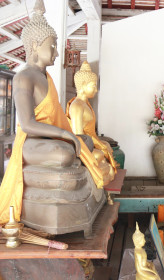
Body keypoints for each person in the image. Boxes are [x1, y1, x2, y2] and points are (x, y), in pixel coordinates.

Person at [0, 0, 103, 224]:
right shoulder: (23, 77)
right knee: (65, 153)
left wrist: (72, 136)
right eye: (53, 45)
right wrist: (66, 135)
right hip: (32, 141)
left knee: (88, 141)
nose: (57, 51)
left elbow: (54, 115)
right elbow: (27, 124)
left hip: (48, 137)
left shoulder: (46, 77)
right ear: (35, 45)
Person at [67, 61, 118, 185]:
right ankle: (101, 171)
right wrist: (95, 147)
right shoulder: (77, 106)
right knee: (99, 155)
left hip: (90, 141)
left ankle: (105, 169)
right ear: (83, 85)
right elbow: (78, 135)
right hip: (83, 145)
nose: (95, 90)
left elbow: (90, 131)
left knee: (107, 146)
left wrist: (100, 143)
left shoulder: (86, 104)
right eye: (93, 86)